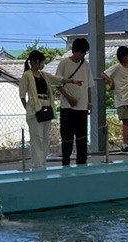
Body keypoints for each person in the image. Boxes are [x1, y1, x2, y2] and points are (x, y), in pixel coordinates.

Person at [19, 50, 80, 170]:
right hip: (34, 109)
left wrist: (72, 81)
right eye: (42, 62)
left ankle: (42, 162)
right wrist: (27, 107)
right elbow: (22, 94)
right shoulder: (27, 75)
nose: (43, 64)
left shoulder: (44, 75)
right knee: (37, 138)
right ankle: (37, 164)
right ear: (36, 62)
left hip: (46, 106)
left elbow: (57, 79)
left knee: (45, 137)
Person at [56, 38, 93, 166]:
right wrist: (69, 98)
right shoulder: (64, 63)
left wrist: (89, 102)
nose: (82, 55)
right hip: (67, 107)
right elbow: (58, 84)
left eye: (84, 53)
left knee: (82, 138)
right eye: (80, 52)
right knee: (67, 138)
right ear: (74, 51)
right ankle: (65, 163)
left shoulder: (86, 65)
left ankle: (82, 163)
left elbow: (89, 85)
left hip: (82, 107)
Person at [101, 45, 128, 152]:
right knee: (125, 121)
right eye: (126, 56)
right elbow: (103, 74)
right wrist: (111, 81)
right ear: (121, 57)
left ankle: (127, 142)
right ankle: (127, 144)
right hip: (121, 98)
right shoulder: (116, 67)